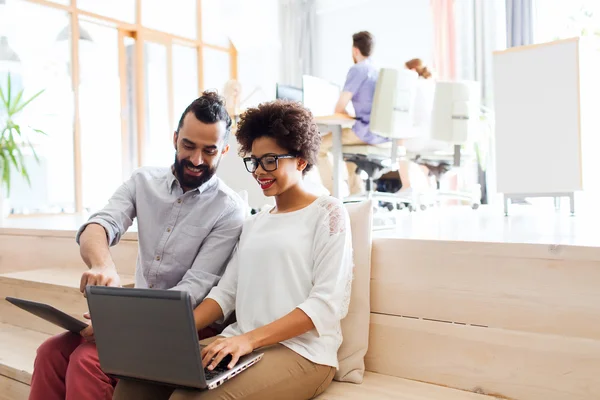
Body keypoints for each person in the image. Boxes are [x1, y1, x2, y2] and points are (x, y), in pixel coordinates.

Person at [113, 100, 354, 400]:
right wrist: (167, 333)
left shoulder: (328, 213)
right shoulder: (255, 223)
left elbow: (326, 304)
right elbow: (224, 294)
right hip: (241, 341)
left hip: (303, 353)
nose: (259, 172)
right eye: (255, 161)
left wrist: (249, 340)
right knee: (136, 380)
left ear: (302, 160)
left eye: (271, 161)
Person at [29, 91, 246, 400]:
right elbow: (98, 226)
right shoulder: (142, 181)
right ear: (175, 139)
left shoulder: (229, 210)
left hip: (188, 326)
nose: (197, 160)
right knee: (50, 352)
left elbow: (193, 290)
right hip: (138, 318)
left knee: (86, 362)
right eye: (188, 146)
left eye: (209, 151)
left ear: (223, 150)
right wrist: (102, 265)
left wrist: (120, 324)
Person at [318, 30, 387, 196]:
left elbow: (339, 107)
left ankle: (333, 194)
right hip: (383, 135)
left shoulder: (358, 70)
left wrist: (345, 113)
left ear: (355, 50)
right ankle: (357, 194)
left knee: (317, 146)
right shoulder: (379, 70)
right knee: (348, 148)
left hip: (366, 132)